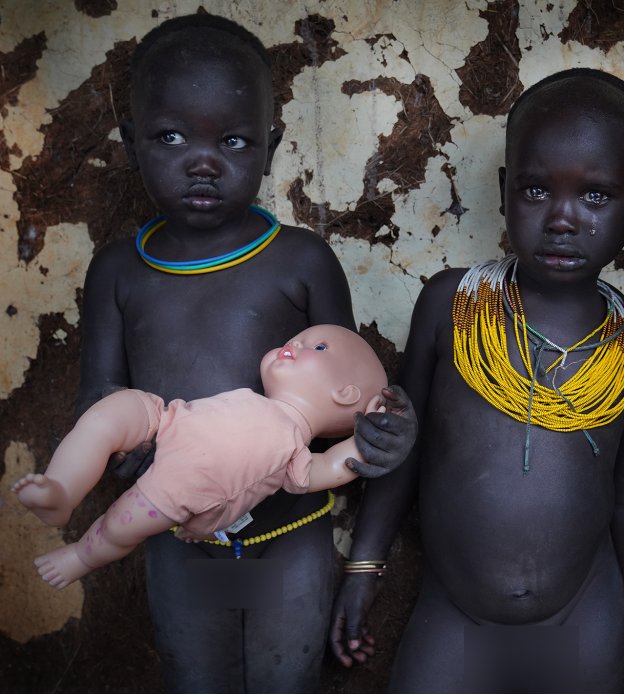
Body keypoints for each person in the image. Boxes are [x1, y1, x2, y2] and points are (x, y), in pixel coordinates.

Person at [72, 13, 416, 693]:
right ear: (132, 145)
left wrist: (384, 431)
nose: (203, 161)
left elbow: (351, 394)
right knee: (193, 680)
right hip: (179, 540)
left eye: (232, 139)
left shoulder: (301, 262)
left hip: (293, 539)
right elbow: (100, 393)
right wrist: (119, 447)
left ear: (272, 143)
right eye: (171, 137)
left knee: (287, 681)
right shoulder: (118, 271)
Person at [330, 68, 624, 694]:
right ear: (506, 190)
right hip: (455, 613)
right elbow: (401, 448)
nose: (563, 219)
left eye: (595, 196)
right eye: (537, 192)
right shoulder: (449, 307)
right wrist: (364, 566)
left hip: (584, 614)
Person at [16, 324, 398, 587]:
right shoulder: (255, 398)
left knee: (120, 527)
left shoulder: (294, 453)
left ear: (346, 394)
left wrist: (370, 435)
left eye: (317, 347)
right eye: (297, 337)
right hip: (167, 420)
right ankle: (61, 489)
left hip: (183, 489)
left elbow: (331, 465)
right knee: (110, 415)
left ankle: (81, 557)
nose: (295, 344)